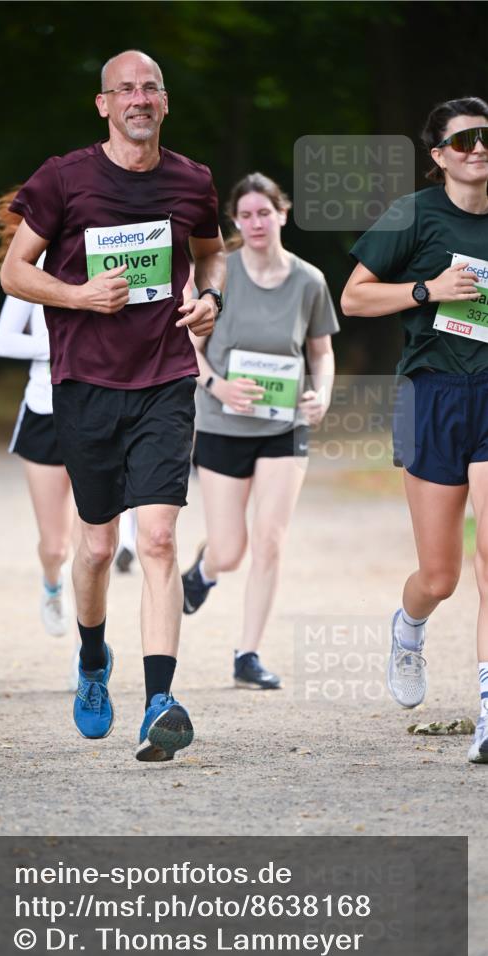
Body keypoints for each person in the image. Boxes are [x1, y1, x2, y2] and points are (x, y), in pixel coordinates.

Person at [0, 49, 225, 761]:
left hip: (163, 379)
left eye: (149, 87)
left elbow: (210, 253)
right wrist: (77, 296)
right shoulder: (63, 178)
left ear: (164, 102)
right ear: (103, 104)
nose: (137, 97)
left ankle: (160, 700)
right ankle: (93, 658)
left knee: (156, 539)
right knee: (96, 545)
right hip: (85, 386)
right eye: (123, 88)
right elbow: (13, 271)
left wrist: (209, 297)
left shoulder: (192, 180)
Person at [341, 97, 488, 764]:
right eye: (461, 142)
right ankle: (408, 630)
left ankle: (486, 712)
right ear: (437, 156)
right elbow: (353, 296)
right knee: (439, 576)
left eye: (484, 138)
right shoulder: (414, 215)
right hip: (433, 395)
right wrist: (428, 289)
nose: (476, 149)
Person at [181, 173, 338, 687]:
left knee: (269, 540)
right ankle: (203, 572)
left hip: (283, 425)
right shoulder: (218, 274)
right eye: (244, 215)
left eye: (263, 213)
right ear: (235, 221)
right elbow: (189, 346)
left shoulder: (309, 280)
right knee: (231, 550)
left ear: (282, 214)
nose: (254, 223)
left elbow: (321, 351)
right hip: (223, 422)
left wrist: (323, 395)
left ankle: (247, 655)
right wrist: (216, 386)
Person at [0, 189, 74, 637]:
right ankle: (52, 584)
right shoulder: (31, 274)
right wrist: (59, 348)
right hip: (44, 410)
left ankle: (88, 649)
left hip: (96, 408)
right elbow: (3, 342)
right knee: (57, 545)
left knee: (94, 544)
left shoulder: (101, 265)